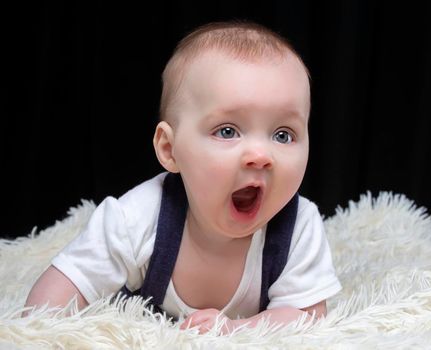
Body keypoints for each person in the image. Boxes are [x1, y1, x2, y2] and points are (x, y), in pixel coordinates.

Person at [24, 20, 342, 334]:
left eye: (283, 135)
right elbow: (64, 287)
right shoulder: (138, 217)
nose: (261, 155)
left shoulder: (297, 226)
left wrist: (234, 329)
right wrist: (37, 334)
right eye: (228, 131)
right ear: (169, 149)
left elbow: (307, 317)